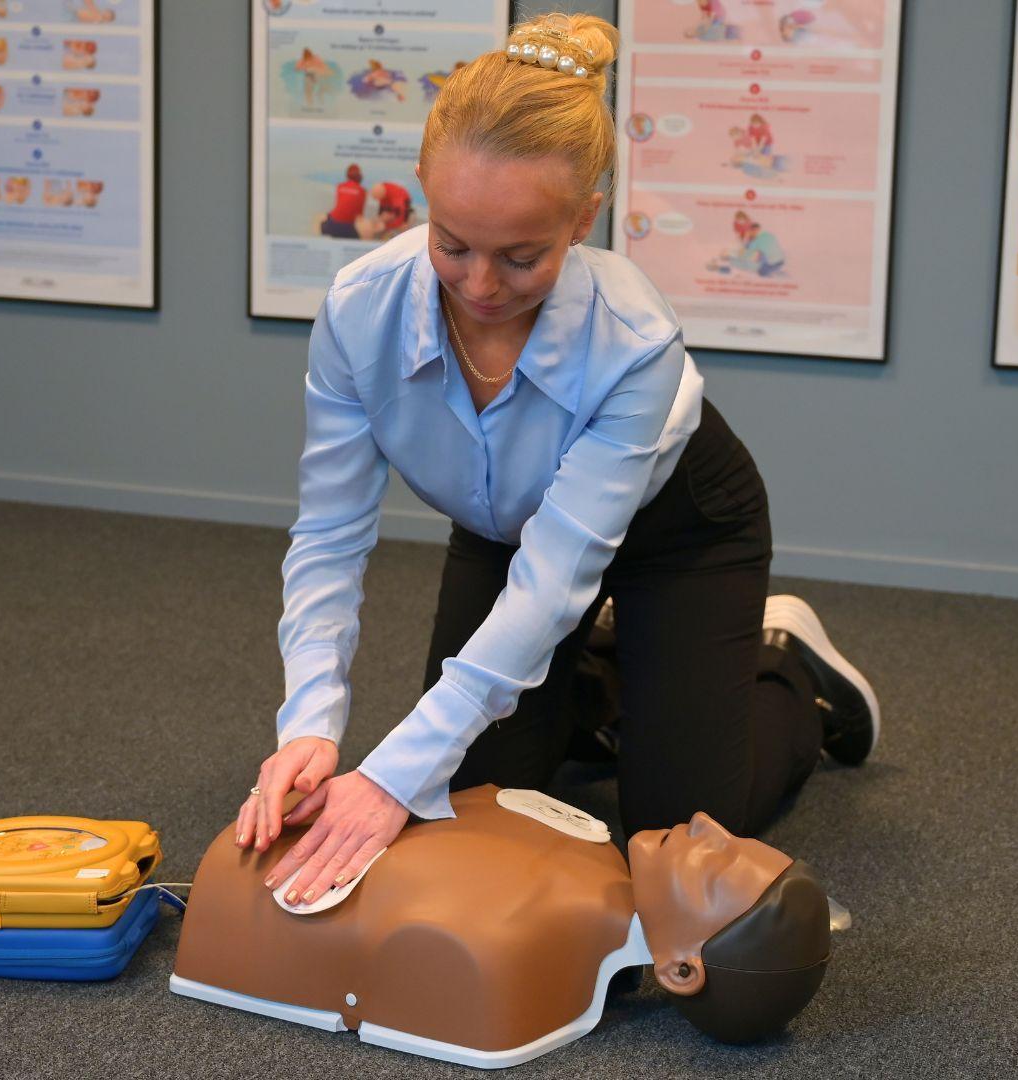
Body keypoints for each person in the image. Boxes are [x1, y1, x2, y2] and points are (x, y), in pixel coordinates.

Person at [236, 12, 881, 913]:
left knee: (665, 839)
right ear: (423, 188)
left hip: (680, 527)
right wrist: (310, 722)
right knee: (471, 803)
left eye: (522, 256)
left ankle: (790, 676)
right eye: (453, 243)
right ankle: (606, 678)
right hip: (502, 533)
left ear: (585, 217)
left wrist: (388, 777)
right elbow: (330, 537)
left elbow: (551, 584)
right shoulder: (359, 310)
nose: (482, 286)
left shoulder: (634, 340)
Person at [177, 785, 835, 1064]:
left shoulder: (509, 942)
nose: (707, 826)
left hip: (243, 878)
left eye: (716, 867)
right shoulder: (589, 857)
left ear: (681, 969)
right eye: (735, 837)